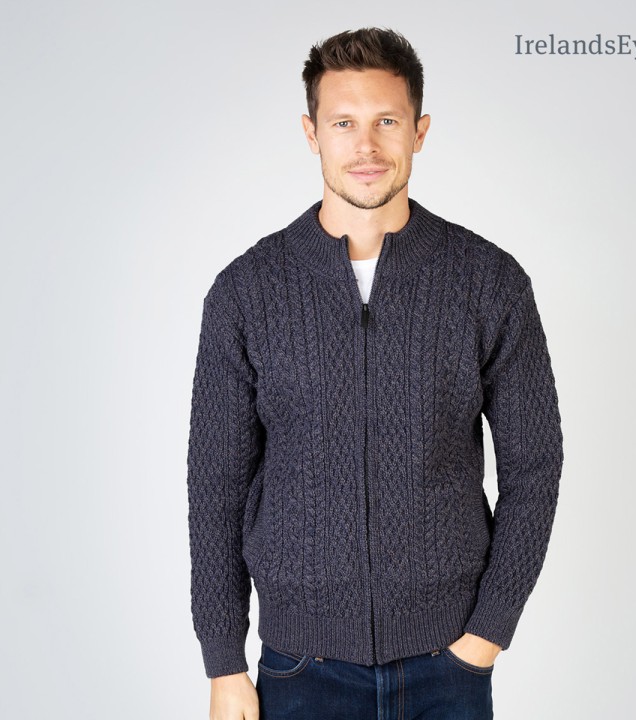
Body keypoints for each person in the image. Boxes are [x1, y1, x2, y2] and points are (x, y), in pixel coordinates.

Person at [186, 26, 564, 720]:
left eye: (386, 121)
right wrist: (223, 662)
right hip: (300, 667)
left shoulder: (489, 282)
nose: (366, 146)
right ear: (311, 132)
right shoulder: (246, 292)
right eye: (344, 123)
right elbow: (216, 486)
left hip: (448, 663)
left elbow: (535, 465)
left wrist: (486, 635)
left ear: (419, 131)